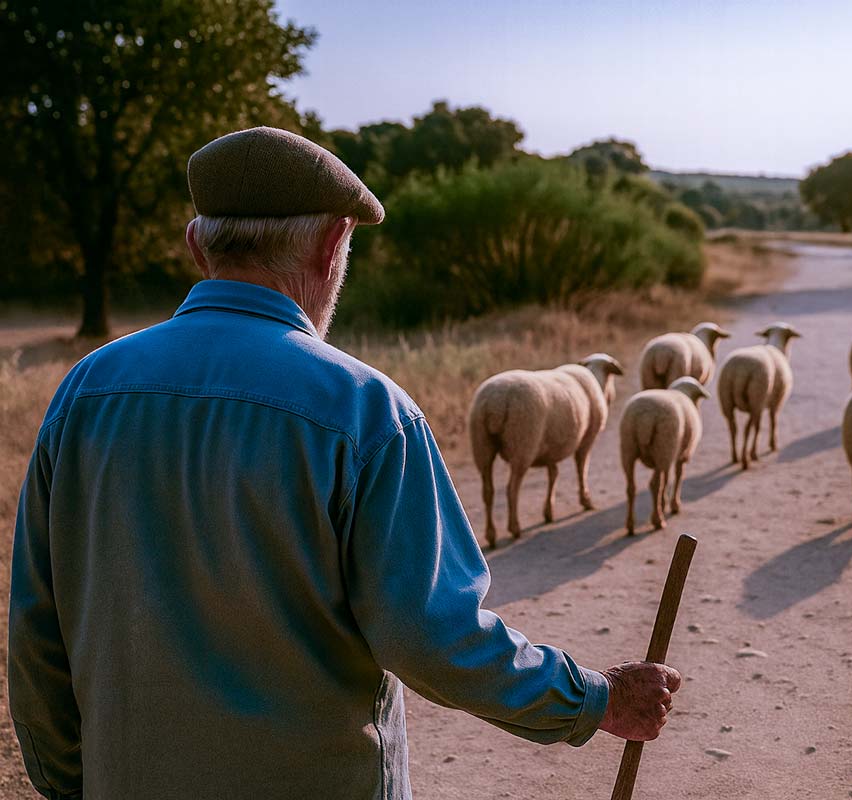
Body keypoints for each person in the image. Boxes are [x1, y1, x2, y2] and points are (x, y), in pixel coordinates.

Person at [7, 127, 681, 800]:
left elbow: (37, 631)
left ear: (195, 245)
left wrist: (76, 782)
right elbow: (433, 637)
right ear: (334, 245)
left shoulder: (86, 393)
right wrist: (595, 699)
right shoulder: (365, 411)